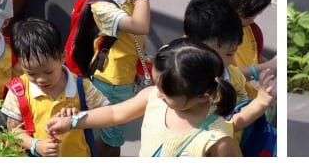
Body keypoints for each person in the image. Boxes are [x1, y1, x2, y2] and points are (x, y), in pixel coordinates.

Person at [67, 0, 173, 157]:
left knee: (111, 131)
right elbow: (140, 26)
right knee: (113, 137)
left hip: (125, 73)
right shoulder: (101, 7)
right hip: (112, 81)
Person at [46, 38, 241, 157]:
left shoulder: (216, 139)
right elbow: (116, 113)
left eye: (167, 94)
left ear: (203, 95)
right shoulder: (154, 97)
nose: (158, 93)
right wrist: (74, 121)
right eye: (156, 84)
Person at [0, 18, 108, 157]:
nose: (41, 79)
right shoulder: (18, 91)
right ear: (21, 64)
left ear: (63, 56)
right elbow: (13, 130)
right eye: (31, 73)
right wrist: (35, 145)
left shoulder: (81, 86)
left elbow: (107, 113)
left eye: (48, 72)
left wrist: (79, 117)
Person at [182, 0, 277, 149]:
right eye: (227, 54)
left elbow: (238, 109)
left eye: (232, 53)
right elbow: (218, 129)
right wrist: (260, 103)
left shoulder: (232, 76)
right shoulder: (179, 77)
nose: (230, 60)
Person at [205, 0, 276, 78]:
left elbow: (255, 57)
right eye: (248, 17)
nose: (252, 21)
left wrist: (272, 66)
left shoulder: (251, 31)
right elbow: (224, 76)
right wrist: (269, 66)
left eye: (256, 15)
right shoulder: (206, 37)